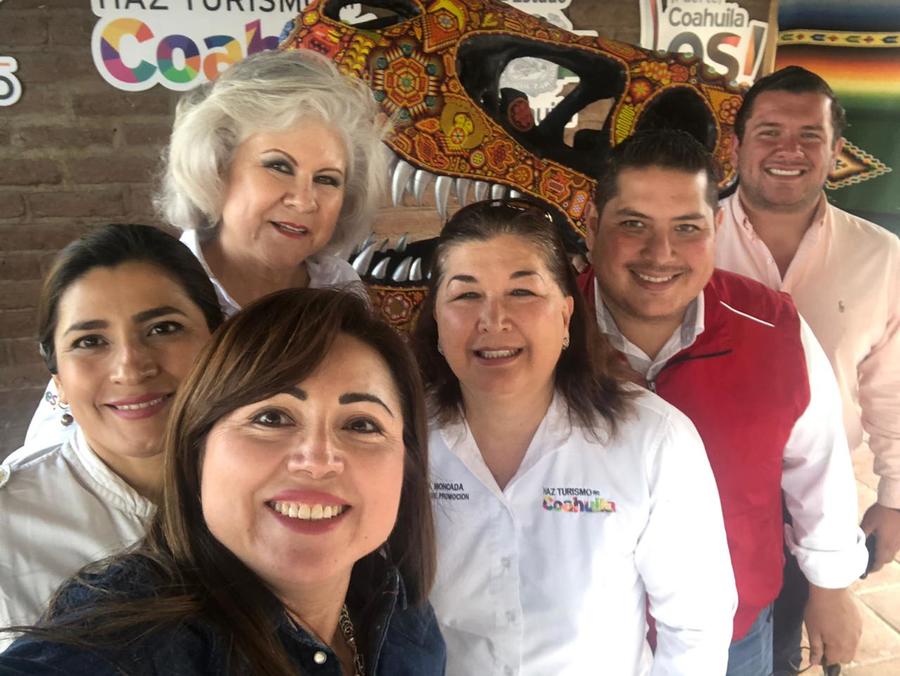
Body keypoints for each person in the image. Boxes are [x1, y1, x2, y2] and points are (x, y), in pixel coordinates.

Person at [0, 289, 445, 675]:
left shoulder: (401, 614)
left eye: (362, 425)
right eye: (272, 418)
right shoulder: (131, 642)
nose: (317, 461)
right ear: (197, 450)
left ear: (408, 464)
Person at [579, 129, 868, 675]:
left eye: (687, 228)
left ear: (715, 228)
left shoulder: (772, 327)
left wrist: (830, 588)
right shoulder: (548, 328)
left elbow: (819, 467)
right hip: (581, 638)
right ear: (592, 226)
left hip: (732, 633)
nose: (660, 253)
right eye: (633, 224)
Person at [413, 199, 737, 675]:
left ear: (565, 316)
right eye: (466, 295)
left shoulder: (652, 439)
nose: (494, 320)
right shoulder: (400, 437)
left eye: (522, 292)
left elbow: (696, 627)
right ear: (438, 323)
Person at [24, 48, 389, 451]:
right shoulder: (151, 288)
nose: (304, 200)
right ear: (216, 168)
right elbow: (53, 453)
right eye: (279, 166)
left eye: (327, 179)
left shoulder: (338, 285)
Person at [715, 65, 900, 671]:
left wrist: (894, 497)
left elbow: (891, 389)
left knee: (781, 653)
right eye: (769, 132)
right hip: (705, 497)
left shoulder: (881, 257)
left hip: (819, 501)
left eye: (809, 135)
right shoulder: (688, 243)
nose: (788, 150)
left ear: (837, 151)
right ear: (737, 146)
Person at [0, 224, 224, 651]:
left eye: (163, 328)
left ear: (218, 343)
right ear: (58, 381)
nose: (131, 368)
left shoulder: (283, 481)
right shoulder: (9, 525)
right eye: (90, 341)